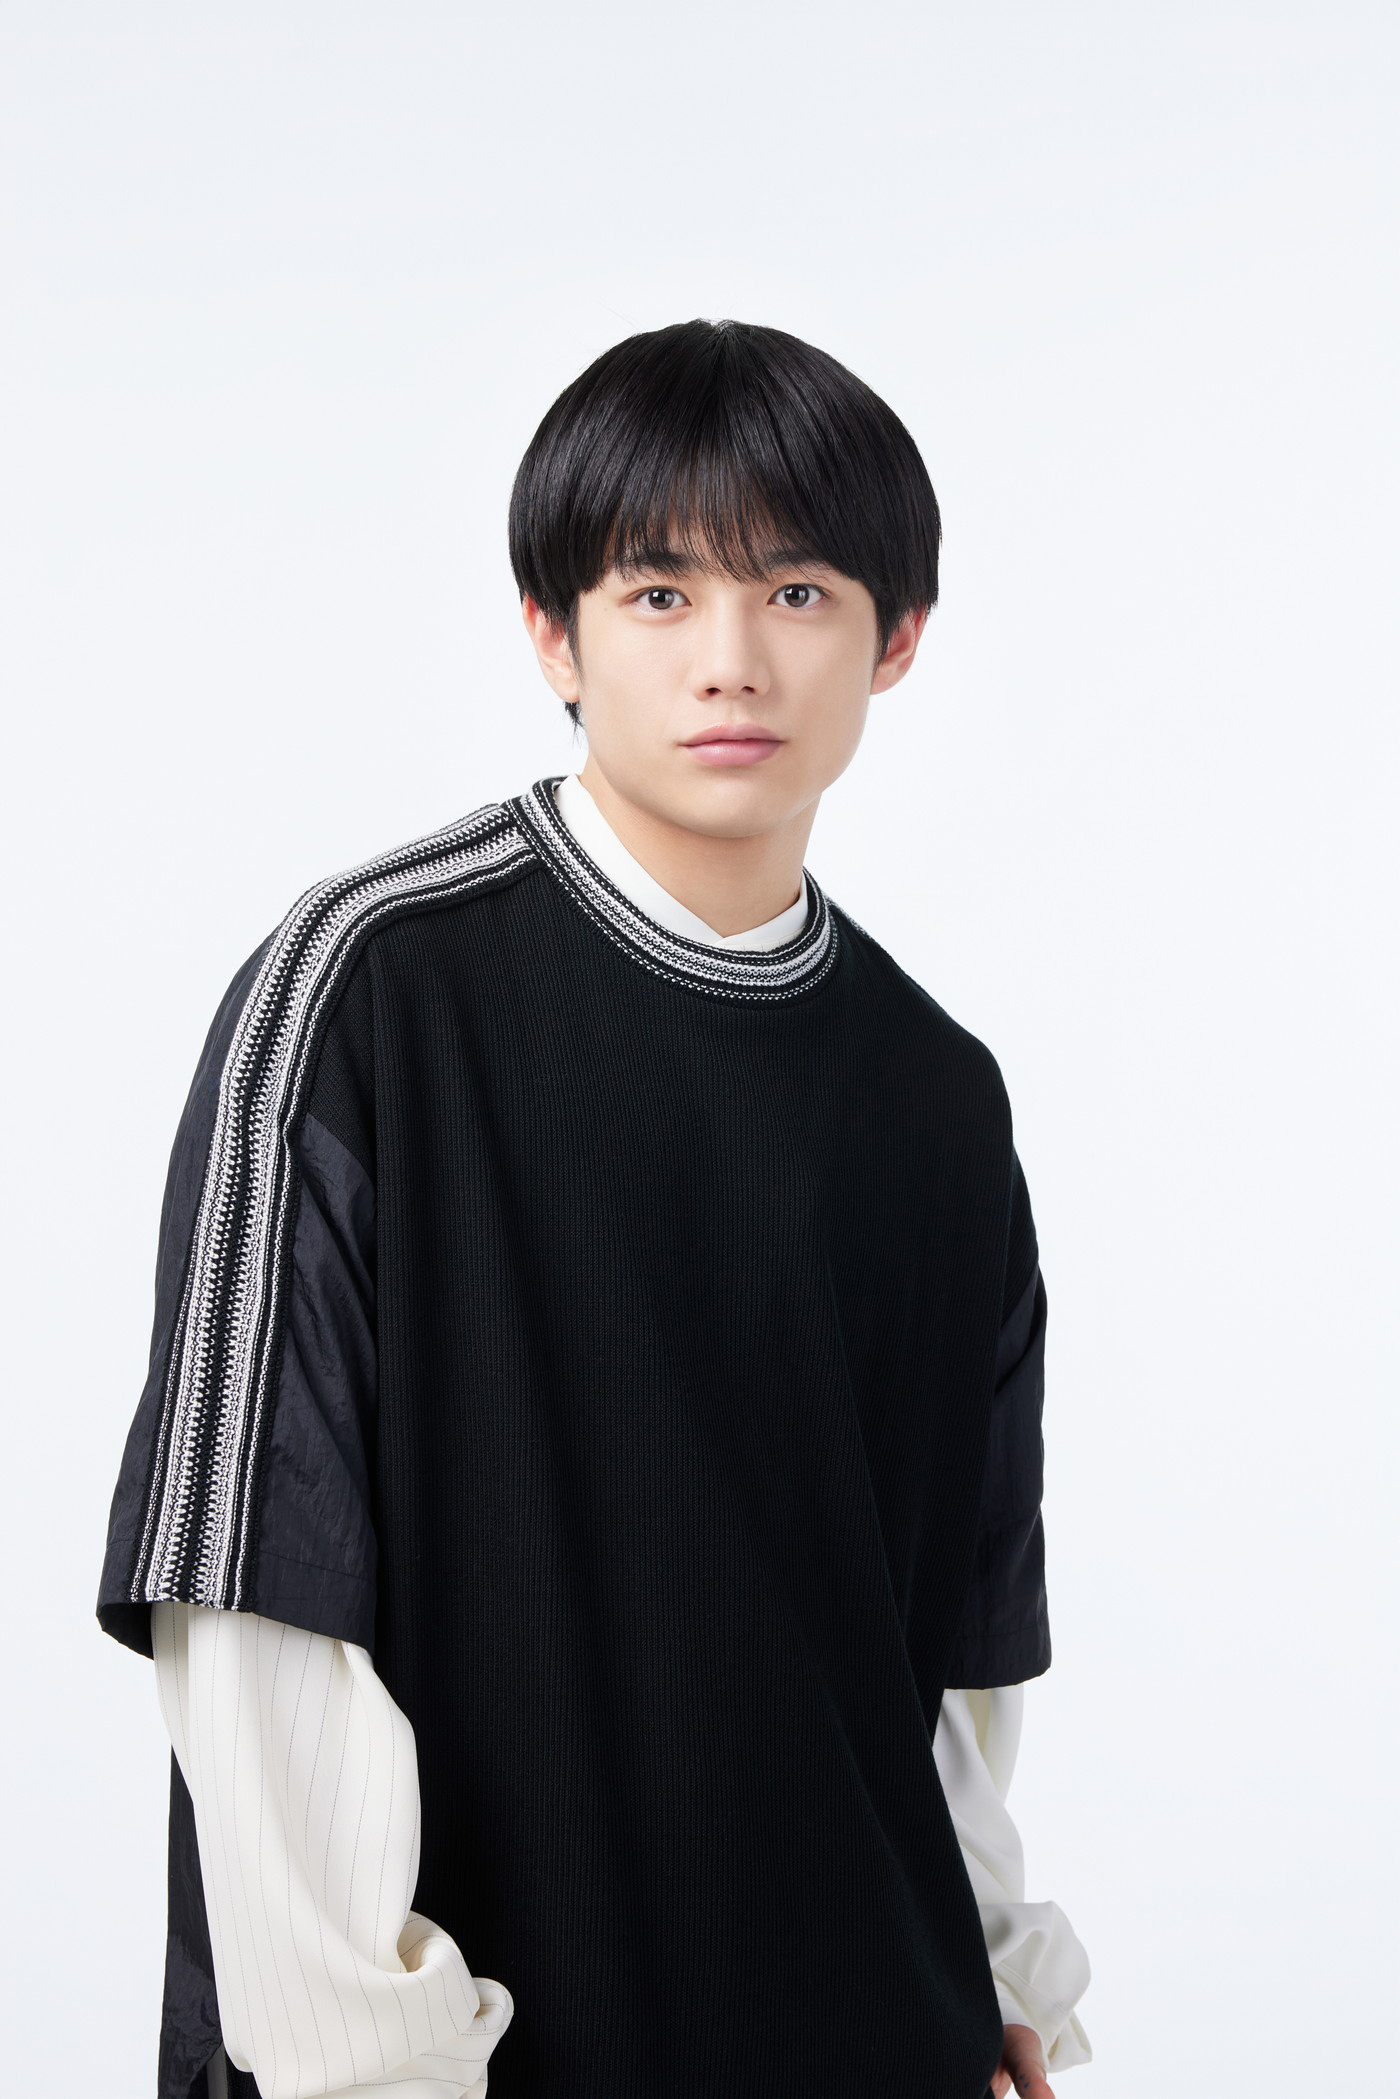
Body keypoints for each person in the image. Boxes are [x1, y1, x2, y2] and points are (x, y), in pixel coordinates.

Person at [97, 317, 1094, 2099]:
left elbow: (941, 1643)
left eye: (797, 593)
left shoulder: (939, 1094)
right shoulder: (367, 994)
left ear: (898, 639)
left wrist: (995, 1960)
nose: (731, 662)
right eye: (658, 595)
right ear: (553, 634)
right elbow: (254, 1597)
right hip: (480, 2055)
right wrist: (375, 2062)